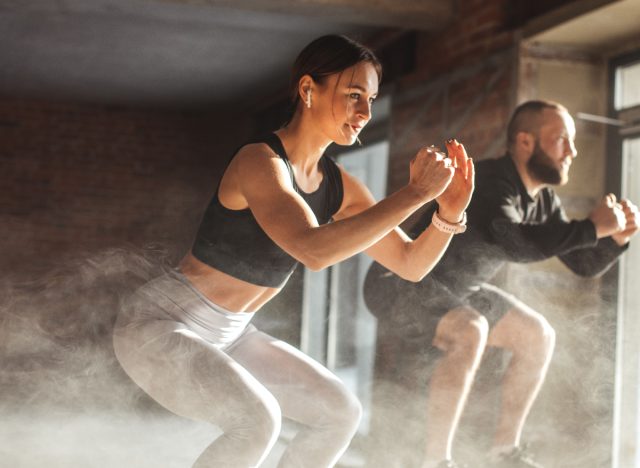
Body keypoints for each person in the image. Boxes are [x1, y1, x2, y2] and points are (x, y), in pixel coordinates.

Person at [112, 34, 474, 468]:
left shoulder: (339, 186)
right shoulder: (259, 162)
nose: (365, 112)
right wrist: (415, 194)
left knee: (340, 413)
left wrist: (447, 214)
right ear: (307, 90)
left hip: (235, 333)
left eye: (372, 99)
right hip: (160, 324)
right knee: (257, 421)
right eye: (354, 95)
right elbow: (312, 249)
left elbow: (410, 263)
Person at [364, 100, 639, 468]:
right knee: (470, 329)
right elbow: (515, 242)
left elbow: (583, 264)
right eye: (561, 140)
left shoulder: (542, 201)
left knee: (537, 334)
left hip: (456, 289)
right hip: (397, 280)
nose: (571, 151)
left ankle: (503, 454)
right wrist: (591, 227)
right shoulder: (492, 181)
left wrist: (615, 238)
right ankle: (436, 462)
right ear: (525, 142)